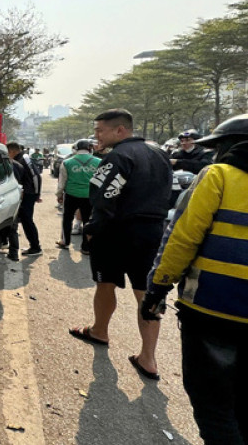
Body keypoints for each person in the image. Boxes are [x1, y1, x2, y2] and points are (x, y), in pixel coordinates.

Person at [141, 114, 248, 444]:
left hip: (215, 308)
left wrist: (157, 287)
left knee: (213, 404)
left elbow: (182, 237)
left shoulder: (219, 176)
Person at [68, 109, 172, 380]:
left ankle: (99, 330)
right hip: (151, 234)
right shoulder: (160, 154)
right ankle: (148, 358)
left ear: (120, 130)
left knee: (105, 283)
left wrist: (92, 230)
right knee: (147, 293)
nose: (96, 136)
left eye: (100, 130)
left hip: (115, 233)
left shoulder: (118, 157)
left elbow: (104, 198)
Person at [55, 139, 99, 253]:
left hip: (71, 195)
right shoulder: (99, 162)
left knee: (67, 219)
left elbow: (62, 182)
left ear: (76, 149)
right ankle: (86, 247)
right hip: (89, 196)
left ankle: (65, 242)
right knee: (87, 221)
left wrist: (59, 195)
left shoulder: (67, 162)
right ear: (90, 149)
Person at [7, 142, 42, 257]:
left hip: (28, 193)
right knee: (23, 219)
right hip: (26, 193)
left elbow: (37, 176)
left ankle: (35, 247)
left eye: (8, 153)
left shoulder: (24, 159)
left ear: (12, 151)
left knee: (27, 220)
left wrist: (36, 194)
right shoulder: (21, 158)